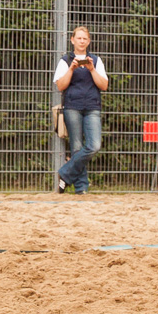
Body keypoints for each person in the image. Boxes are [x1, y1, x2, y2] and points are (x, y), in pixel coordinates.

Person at [53, 26, 108, 195]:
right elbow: (60, 86)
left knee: (94, 145)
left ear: (89, 41)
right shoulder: (65, 61)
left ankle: (64, 173)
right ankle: (81, 187)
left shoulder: (96, 61)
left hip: (92, 107)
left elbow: (104, 85)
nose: (82, 41)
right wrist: (72, 69)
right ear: (72, 40)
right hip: (72, 107)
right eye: (79, 38)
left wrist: (91, 69)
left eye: (85, 39)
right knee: (76, 148)